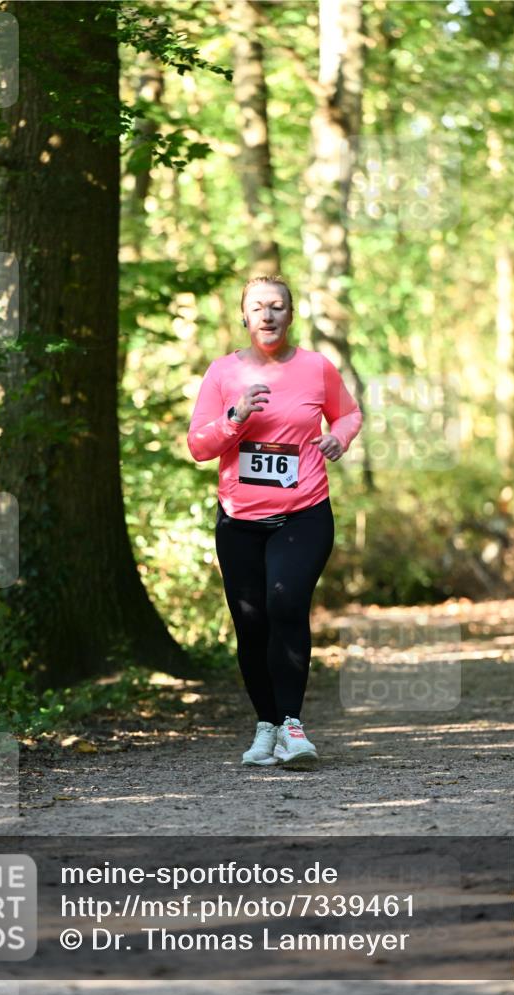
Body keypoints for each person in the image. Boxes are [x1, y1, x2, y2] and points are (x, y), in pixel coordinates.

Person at [187, 275, 363, 769]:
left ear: (290, 315)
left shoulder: (316, 368)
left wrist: (338, 439)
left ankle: (292, 725)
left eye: (278, 307)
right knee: (251, 623)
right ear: (244, 317)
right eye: (258, 307)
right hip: (239, 519)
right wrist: (235, 416)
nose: (268, 315)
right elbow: (199, 446)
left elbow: (349, 415)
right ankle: (265, 726)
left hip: (303, 513)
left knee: (285, 602)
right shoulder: (222, 373)